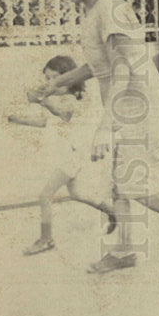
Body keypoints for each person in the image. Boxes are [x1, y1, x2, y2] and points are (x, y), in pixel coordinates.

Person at [29, 0, 159, 273]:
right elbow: (100, 64)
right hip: (124, 107)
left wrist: (105, 126)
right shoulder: (94, 10)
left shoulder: (111, 9)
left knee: (135, 186)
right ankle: (124, 251)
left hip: (138, 107)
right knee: (119, 183)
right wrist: (58, 82)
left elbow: (123, 68)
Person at [10, 55, 116, 255]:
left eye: (54, 78)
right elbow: (47, 122)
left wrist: (41, 100)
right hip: (70, 155)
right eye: (47, 78)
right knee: (78, 194)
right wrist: (18, 120)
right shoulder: (60, 99)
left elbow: (63, 114)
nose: (50, 83)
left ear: (69, 78)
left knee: (45, 196)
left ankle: (46, 240)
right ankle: (113, 211)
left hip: (73, 156)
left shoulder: (72, 99)